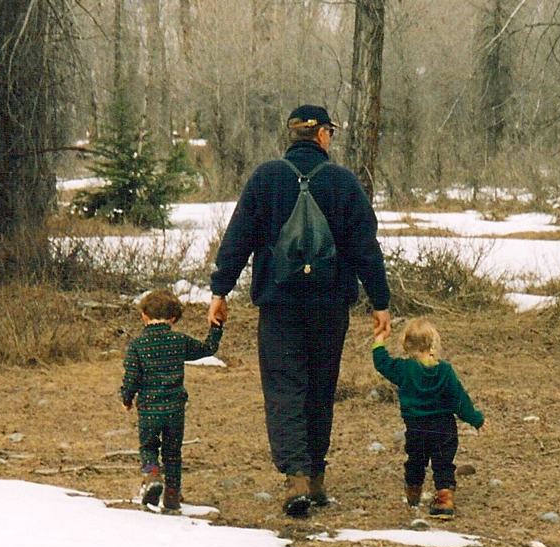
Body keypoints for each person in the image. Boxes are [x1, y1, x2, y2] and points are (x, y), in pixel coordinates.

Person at [208, 104, 391, 517]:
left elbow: (237, 237)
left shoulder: (266, 177)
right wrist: (380, 302)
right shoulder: (344, 182)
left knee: (284, 387)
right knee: (321, 387)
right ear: (324, 135)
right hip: (330, 305)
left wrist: (220, 291)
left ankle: (296, 479)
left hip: (280, 304)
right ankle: (317, 475)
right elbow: (366, 248)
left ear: (293, 135)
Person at [372, 318, 488, 519]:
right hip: (444, 428)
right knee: (443, 463)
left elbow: (382, 363)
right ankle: (445, 499)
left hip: (416, 427)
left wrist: (379, 339)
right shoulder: (445, 371)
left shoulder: (404, 369)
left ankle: (414, 490)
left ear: (407, 344)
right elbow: (459, 400)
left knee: (416, 460)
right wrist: (476, 419)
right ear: (433, 343)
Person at [121, 289, 223, 510]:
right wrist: (217, 325)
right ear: (174, 318)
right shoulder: (179, 341)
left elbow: (131, 378)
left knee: (148, 447)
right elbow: (208, 348)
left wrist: (126, 398)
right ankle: (172, 496)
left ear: (144, 316)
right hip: (175, 409)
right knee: (173, 453)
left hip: (149, 409)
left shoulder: (137, 345)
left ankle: (153, 476)